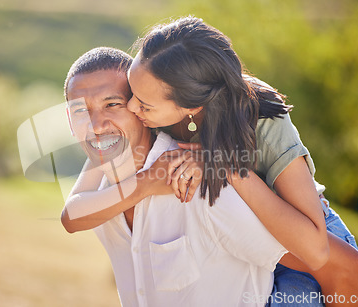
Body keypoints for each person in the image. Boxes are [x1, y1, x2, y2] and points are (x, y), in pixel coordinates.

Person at [62, 17, 358, 306]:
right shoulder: (150, 114)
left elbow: (320, 254)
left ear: (189, 106)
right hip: (255, 238)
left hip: (307, 228)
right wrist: (143, 183)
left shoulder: (259, 119)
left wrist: (225, 166)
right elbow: (72, 214)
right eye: (130, 95)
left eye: (135, 103)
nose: (130, 106)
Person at [62, 46, 290, 306]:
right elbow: (71, 217)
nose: (96, 126)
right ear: (69, 121)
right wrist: (145, 183)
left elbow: (317, 263)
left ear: (140, 108)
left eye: (112, 104)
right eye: (81, 111)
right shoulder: (100, 192)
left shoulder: (202, 182)